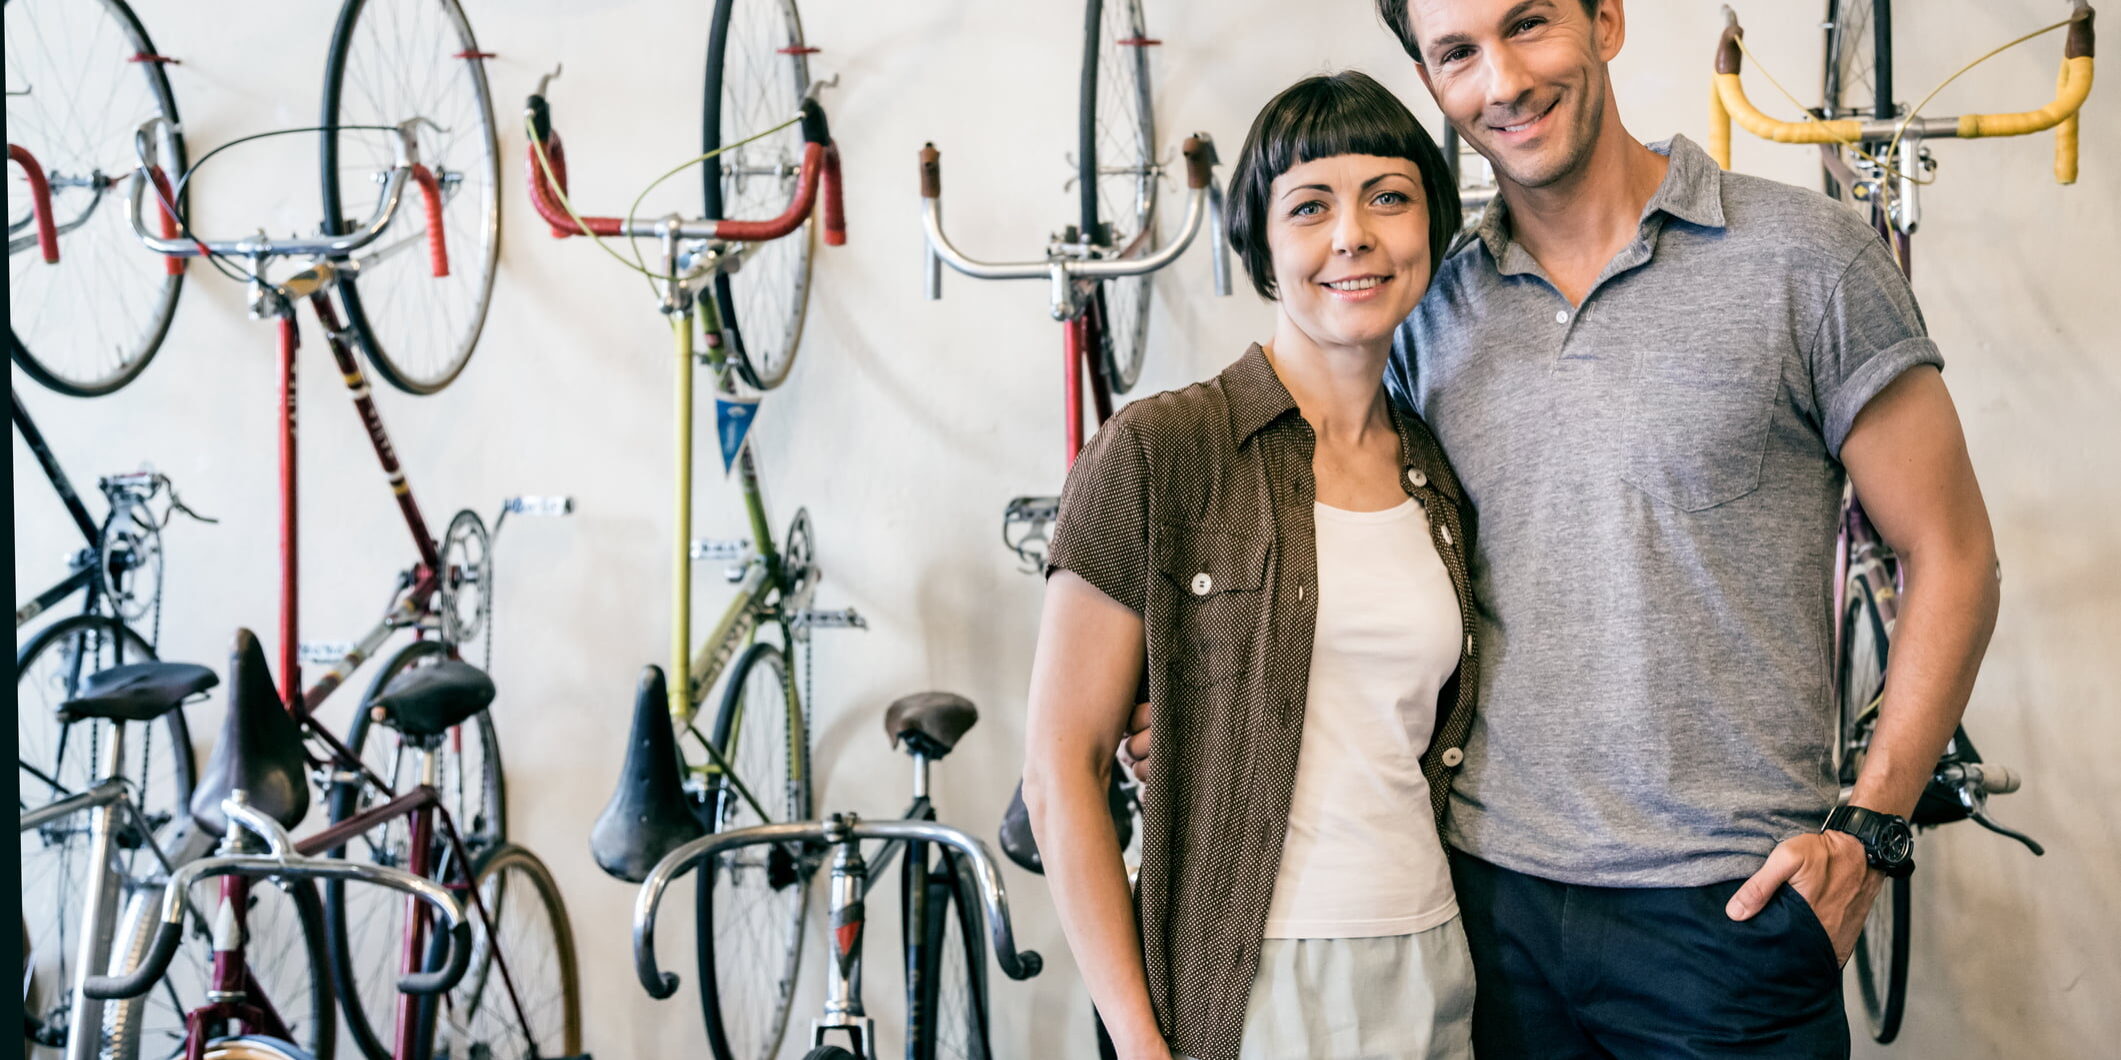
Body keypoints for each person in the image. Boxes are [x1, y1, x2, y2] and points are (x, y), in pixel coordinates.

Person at [1127, 0, 2003, 1054]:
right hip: (1484, 916)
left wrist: (1871, 826)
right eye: (1457, 54)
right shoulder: (1427, 308)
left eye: (1529, 24)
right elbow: (1353, 575)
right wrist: (1188, 698)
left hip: (1729, 911)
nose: (1501, 81)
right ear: (1432, 79)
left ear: (1606, 20)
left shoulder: (1805, 260)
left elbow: (1952, 552)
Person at [1019, 71, 1477, 1060]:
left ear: (1430, 232)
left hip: (1433, 960)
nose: (1352, 234)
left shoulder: (1440, 478)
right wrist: (1141, 1043)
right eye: (1309, 206)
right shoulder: (1160, 451)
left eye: (1388, 197)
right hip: (1251, 979)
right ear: (1262, 247)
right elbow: (1064, 772)